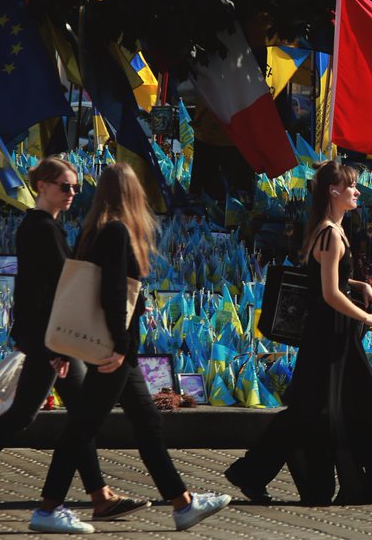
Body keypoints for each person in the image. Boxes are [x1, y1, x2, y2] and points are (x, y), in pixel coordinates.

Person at [0, 158, 146, 524]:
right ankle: (94, 497)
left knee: (34, 414)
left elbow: (36, 290)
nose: (72, 194)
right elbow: (56, 292)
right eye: (64, 186)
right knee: (72, 416)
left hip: (46, 337)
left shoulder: (40, 226)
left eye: (75, 188)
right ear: (42, 186)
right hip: (52, 338)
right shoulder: (42, 229)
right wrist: (54, 348)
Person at [32, 163, 230, 533]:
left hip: (117, 349)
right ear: (132, 193)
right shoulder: (118, 232)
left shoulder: (93, 230)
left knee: (147, 423)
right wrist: (120, 346)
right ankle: (47, 508)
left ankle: (183, 503)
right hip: (115, 349)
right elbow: (112, 292)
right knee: (83, 427)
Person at [225, 160, 372, 506]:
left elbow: (329, 281)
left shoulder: (326, 229)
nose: (357, 192)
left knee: (313, 409)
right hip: (330, 335)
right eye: (351, 187)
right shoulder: (330, 234)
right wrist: (368, 317)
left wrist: (361, 285)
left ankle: (257, 473)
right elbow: (330, 293)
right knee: (327, 407)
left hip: (328, 333)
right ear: (334, 191)